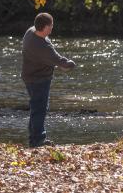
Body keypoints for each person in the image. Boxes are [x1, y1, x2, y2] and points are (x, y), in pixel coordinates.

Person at [21, 12, 76, 148]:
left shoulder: (30, 32)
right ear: (45, 27)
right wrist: (71, 64)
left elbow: (52, 57)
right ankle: (38, 140)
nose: (52, 28)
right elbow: (61, 62)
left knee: (36, 107)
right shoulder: (42, 47)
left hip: (28, 76)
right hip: (38, 79)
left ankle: (34, 139)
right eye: (51, 26)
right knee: (39, 108)